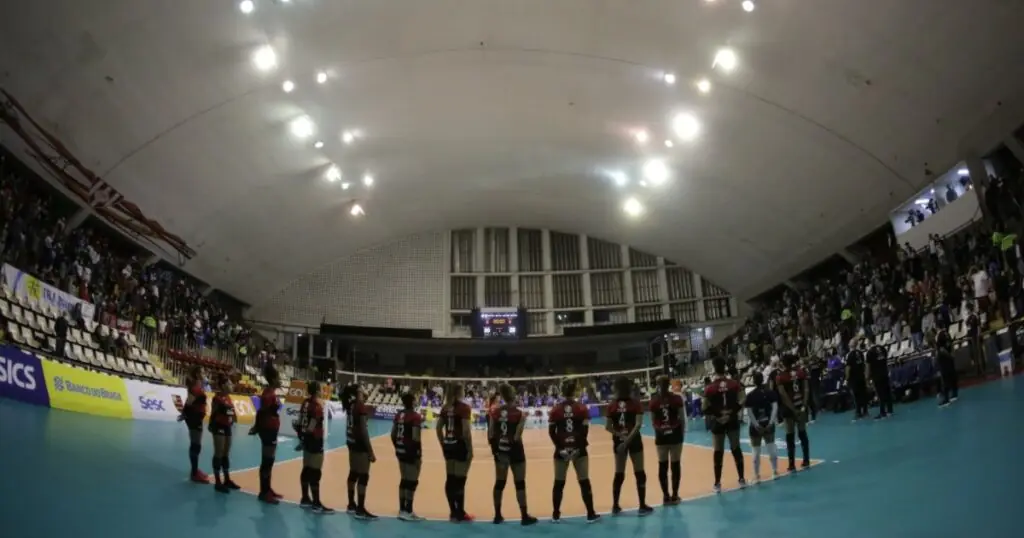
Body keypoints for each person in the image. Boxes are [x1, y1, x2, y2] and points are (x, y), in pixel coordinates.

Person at [548, 380, 599, 523]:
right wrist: (577, 448)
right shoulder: (582, 408)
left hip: (561, 451)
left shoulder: (556, 409)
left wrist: (560, 448)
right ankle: (590, 513)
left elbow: (552, 432)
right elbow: (584, 432)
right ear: (575, 391)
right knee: (584, 481)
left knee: (559, 483)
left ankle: (556, 515)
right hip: (579, 450)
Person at [488, 383, 538, 525]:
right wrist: (523, 421)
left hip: (501, 451)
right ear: (513, 395)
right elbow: (516, 437)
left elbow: (490, 434)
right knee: (520, 483)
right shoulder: (519, 414)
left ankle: (497, 515)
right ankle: (524, 516)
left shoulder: (495, 412)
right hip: (515, 452)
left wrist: (496, 452)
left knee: (499, 483)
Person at [605, 377, 653, 516]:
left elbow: (608, 427)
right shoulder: (635, 403)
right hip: (634, 440)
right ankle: (642, 506)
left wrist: (621, 437)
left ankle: (615, 506)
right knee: (639, 472)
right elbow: (638, 425)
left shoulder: (612, 405)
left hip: (619, 442)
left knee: (619, 473)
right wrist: (628, 440)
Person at [703, 357, 746, 492]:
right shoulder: (734, 384)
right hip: (732, 419)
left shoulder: (710, 387)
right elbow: (742, 399)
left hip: (718, 421)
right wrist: (731, 413)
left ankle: (717, 483)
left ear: (714, 369)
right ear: (725, 367)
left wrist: (719, 415)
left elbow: (704, 407)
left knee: (718, 451)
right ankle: (741, 479)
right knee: (736, 448)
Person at [437, 383, 474, 522]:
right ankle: (460, 513)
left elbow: (438, 428)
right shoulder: (464, 408)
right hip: (459, 445)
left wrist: (443, 444)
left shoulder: (445, 408)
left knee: (450, 479)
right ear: (460, 392)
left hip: (449, 444)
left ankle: (453, 511)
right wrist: (470, 448)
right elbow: (465, 431)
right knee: (460, 480)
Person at [250, 364, 284, 503]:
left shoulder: (272, 393)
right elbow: (261, 411)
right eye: (278, 377)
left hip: (271, 430)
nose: (280, 380)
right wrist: (256, 427)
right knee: (267, 461)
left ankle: (268, 489)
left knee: (270, 461)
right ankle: (264, 492)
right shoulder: (268, 394)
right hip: (268, 430)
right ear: (273, 379)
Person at [343, 384, 377, 519]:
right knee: (363, 476)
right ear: (358, 392)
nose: (364, 390)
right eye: (362, 389)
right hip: (360, 444)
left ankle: (351, 504)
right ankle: (360, 509)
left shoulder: (350, 405)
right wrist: (371, 451)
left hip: (351, 442)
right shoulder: (360, 406)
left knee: (353, 473)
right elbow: (363, 430)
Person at [648, 375, 684, 504]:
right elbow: (682, 418)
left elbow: (653, 421)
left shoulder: (653, 401)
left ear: (657, 385)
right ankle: (675, 495)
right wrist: (682, 435)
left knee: (663, 465)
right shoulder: (676, 398)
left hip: (661, 435)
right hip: (675, 434)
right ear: (668, 384)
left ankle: (665, 496)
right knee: (675, 464)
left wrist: (660, 430)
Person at [392, 392, 425, 521]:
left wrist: (397, 446)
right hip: (411, 451)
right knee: (412, 481)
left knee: (404, 479)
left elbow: (393, 434)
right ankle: (409, 511)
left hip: (400, 450)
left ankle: (402, 510)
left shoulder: (399, 415)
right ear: (412, 402)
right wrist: (418, 455)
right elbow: (416, 437)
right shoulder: (415, 417)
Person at [300, 381, 332, 513]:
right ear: (318, 390)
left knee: (306, 468)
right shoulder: (317, 406)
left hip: (306, 440)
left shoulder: (305, 403)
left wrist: (302, 438)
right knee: (315, 471)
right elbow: (313, 424)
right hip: (315, 440)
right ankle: (316, 503)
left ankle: (305, 498)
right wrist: (309, 434)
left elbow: (300, 421)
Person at [776, 354, 811, 471]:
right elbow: (806, 389)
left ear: (784, 363)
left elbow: (783, 395)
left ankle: (791, 464)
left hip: (789, 409)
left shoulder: (780, 376)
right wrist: (804, 406)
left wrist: (793, 409)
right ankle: (806, 460)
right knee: (802, 433)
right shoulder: (801, 372)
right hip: (800, 405)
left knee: (790, 435)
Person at [743, 371, 778, 482]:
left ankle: (757, 476)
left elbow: (749, 412)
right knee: (771, 448)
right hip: (768, 424)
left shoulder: (750, 395)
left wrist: (756, 425)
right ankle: (775, 471)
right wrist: (771, 422)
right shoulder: (770, 392)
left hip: (755, 427)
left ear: (753, 381)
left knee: (756, 452)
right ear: (763, 379)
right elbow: (775, 408)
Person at [177, 366, 209, 484]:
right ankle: (194, 473)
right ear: (197, 374)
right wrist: (185, 413)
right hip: (194, 417)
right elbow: (189, 401)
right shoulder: (195, 387)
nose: (204, 373)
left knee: (196, 445)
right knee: (196, 445)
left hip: (196, 417)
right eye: (202, 371)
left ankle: (195, 470)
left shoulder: (198, 384)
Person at [208, 372, 240, 493]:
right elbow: (214, 413)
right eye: (229, 383)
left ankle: (227, 479)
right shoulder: (217, 398)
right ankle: (217, 481)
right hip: (218, 426)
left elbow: (231, 412)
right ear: (223, 385)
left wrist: (233, 418)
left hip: (227, 426)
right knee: (219, 452)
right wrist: (212, 425)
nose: (231, 385)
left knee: (226, 453)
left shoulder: (228, 398)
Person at [867, 341, 894, 419]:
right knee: (887, 392)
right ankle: (890, 410)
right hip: (885, 373)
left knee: (880, 394)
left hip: (877, 375)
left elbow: (868, 367)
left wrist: (867, 378)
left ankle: (883, 412)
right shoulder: (883, 348)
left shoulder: (870, 352)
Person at [845, 339, 869, 420]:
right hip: (861, 376)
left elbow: (848, 367)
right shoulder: (860, 353)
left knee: (856, 396)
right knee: (863, 394)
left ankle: (858, 412)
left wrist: (847, 378)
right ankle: (865, 411)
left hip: (854, 378)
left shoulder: (849, 355)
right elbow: (863, 364)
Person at [935, 325, 959, 406]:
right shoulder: (947, 334)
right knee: (952, 376)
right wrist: (952, 355)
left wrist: (948, 355)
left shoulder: (939, 336)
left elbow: (941, 349)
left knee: (945, 379)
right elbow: (951, 345)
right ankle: (954, 394)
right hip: (950, 359)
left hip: (944, 359)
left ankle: (946, 399)